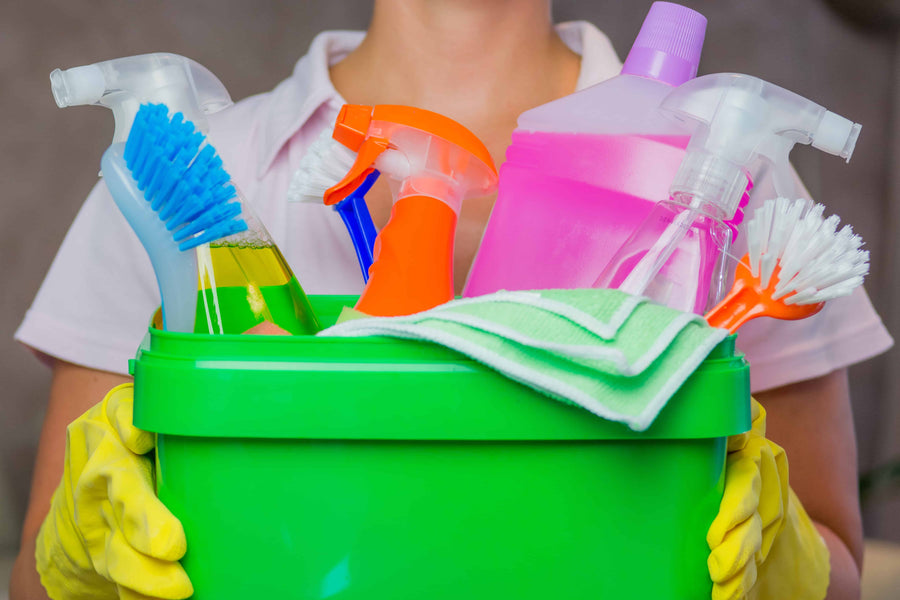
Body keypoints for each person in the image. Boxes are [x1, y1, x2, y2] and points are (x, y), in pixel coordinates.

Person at [11, 1, 892, 598]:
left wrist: (791, 560)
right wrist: (76, 556)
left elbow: (841, 564)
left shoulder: (726, 187)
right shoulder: (192, 169)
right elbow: (34, 585)